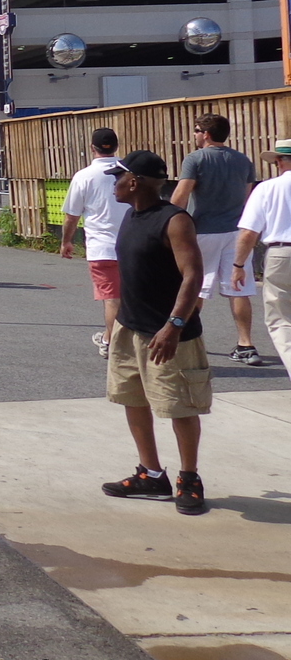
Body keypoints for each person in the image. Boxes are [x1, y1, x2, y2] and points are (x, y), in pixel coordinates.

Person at [100, 151, 210, 516]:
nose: (113, 183)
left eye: (118, 177)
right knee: (133, 399)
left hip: (170, 334)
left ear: (135, 181)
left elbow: (193, 276)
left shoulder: (175, 221)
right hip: (130, 330)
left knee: (179, 406)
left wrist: (174, 325)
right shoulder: (132, 216)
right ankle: (151, 474)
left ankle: (189, 478)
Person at [171, 113, 265, 366]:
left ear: (207, 134)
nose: (194, 134)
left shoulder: (196, 159)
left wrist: (167, 222)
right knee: (239, 289)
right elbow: (247, 196)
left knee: (195, 286)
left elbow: (182, 194)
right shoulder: (243, 160)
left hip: (202, 230)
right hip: (236, 231)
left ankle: (186, 340)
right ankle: (246, 344)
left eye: (196, 130)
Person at [59, 127, 130, 358]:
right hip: (133, 244)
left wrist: (66, 241)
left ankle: (112, 342)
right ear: (117, 146)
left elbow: (72, 215)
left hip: (102, 247)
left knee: (111, 299)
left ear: (92, 148)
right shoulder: (131, 172)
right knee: (133, 296)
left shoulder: (84, 176)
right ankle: (123, 339)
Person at [232, 138, 291, 377]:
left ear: (278, 161)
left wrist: (238, 264)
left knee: (280, 318)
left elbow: (248, 233)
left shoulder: (267, 188)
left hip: (281, 252)